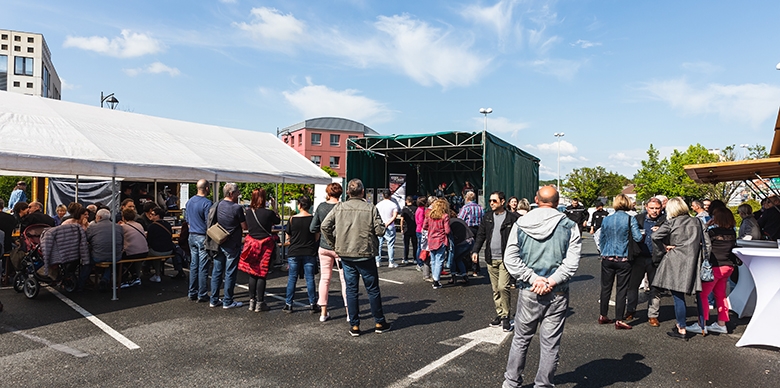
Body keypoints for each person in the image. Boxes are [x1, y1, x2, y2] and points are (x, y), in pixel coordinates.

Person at [502, 185, 581, 388]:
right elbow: (571, 263)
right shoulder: (569, 225)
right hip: (558, 291)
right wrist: (551, 280)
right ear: (557, 201)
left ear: (537, 199)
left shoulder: (521, 223)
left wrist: (532, 278)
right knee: (550, 344)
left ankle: (511, 383)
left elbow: (510, 258)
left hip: (529, 290)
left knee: (521, 339)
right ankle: (543, 385)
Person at [321, 178, 390, 337]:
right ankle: (379, 322)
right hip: (365, 253)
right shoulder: (370, 208)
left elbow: (324, 226)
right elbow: (380, 231)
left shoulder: (339, 208)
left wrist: (334, 244)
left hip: (345, 254)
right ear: (362, 192)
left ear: (348, 193)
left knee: (351, 290)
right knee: (372, 289)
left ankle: (355, 325)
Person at [652, 197, 710, 340]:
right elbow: (707, 244)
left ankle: (682, 328)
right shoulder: (697, 221)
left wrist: (664, 248)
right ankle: (702, 325)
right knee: (699, 295)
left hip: (675, 261)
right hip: (693, 262)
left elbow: (655, 236)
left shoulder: (671, 222)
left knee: (678, 297)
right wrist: (704, 259)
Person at [471, 191, 519, 332]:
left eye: (494, 201)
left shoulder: (512, 218)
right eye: (490, 201)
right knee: (495, 289)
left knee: (503, 287)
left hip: (505, 259)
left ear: (502, 202)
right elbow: (481, 235)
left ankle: (506, 317)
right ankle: (500, 314)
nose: (491, 203)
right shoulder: (487, 217)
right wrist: (475, 251)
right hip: (491, 258)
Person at [689, 207, 739, 335]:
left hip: (714, 267)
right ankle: (722, 323)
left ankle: (702, 324)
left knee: (703, 295)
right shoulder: (732, 233)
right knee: (721, 296)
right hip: (728, 267)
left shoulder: (713, 232)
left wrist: (706, 225)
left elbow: (701, 240)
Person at [597, 194, 642, 330]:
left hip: (607, 257)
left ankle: (603, 315)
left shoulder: (607, 219)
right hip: (623, 258)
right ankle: (619, 319)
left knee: (605, 288)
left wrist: (604, 252)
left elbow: (601, 239)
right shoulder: (630, 219)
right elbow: (638, 238)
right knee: (621, 289)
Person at [626, 197, 666, 326]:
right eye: (652, 208)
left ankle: (653, 315)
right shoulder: (638, 219)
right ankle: (630, 309)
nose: (654, 211)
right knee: (633, 286)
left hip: (656, 258)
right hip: (639, 257)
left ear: (661, 208)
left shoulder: (665, 221)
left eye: (657, 208)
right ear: (647, 208)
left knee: (655, 288)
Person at [207, 182, 246, 309]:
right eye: (237, 192)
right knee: (230, 273)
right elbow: (244, 226)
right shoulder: (237, 208)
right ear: (231, 193)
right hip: (232, 243)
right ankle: (228, 301)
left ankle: (214, 299)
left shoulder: (218, 205)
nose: (238, 194)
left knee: (217, 271)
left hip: (218, 241)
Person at [310, 183, 347, 322]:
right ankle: (350, 313)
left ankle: (323, 313)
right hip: (340, 248)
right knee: (345, 281)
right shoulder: (343, 207)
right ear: (340, 193)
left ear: (328, 192)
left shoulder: (321, 207)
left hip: (324, 247)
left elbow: (313, 228)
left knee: (324, 279)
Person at [240, 188, 280, 313]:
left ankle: (252, 301)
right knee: (262, 273)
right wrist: (274, 207)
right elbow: (277, 220)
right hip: (265, 245)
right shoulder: (268, 213)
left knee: (252, 273)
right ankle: (260, 302)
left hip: (252, 244)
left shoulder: (248, 212)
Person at [284, 196, 319, 313]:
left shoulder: (292, 219)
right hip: (309, 251)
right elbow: (316, 236)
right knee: (310, 279)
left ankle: (288, 304)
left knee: (292, 278)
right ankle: (313, 303)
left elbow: (288, 235)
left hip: (294, 251)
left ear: (299, 205)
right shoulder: (313, 219)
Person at [186, 179, 212, 303]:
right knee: (203, 266)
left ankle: (192, 291)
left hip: (192, 235)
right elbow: (209, 222)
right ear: (206, 188)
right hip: (202, 235)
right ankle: (202, 293)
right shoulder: (207, 203)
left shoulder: (190, 201)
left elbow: (187, 219)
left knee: (193, 265)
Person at [84, 208, 124, 290]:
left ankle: (81, 282)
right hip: (116, 256)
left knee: (88, 261)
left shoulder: (92, 227)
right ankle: (105, 279)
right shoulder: (118, 227)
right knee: (109, 259)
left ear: (98, 217)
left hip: (99, 256)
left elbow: (86, 240)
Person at [422, 199, 451, 289]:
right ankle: (436, 280)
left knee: (433, 260)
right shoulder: (445, 216)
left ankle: (435, 278)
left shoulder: (429, 215)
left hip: (431, 239)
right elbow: (447, 230)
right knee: (439, 260)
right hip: (441, 239)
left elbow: (424, 226)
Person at [146, 207, 176, 282]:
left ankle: (154, 273)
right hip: (169, 250)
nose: (150, 216)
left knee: (145, 253)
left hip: (156, 251)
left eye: (153, 214)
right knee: (157, 254)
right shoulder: (168, 224)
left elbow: (149, 240)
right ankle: (158, 273)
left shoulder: (152, 226)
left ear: (157, 216)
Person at [119, 208, 148, 287]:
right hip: (144, 251)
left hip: (132, 253)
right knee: (130, 259)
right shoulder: (139, 225)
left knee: (119, 259)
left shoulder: (122, 227)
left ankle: (123, 280)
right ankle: (135, 277)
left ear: (123, 217)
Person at [458, 191, 484, 276]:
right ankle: (475, 269)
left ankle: (465, 268)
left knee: (466, 249)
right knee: (475, 249)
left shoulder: (466, 207)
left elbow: (460, 219)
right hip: (478, 229)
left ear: (467, 198)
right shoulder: (480, 207)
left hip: (468, 229)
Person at [447, 210, 474, 284]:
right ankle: (464, 276)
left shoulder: (450, 222)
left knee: (452, 259)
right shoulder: (459, 220)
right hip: (471, 240)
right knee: (458, 259)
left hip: (463, 242)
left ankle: (453, 277)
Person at [375, 189, 399, 268]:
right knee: (390, 245)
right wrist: (388, 223)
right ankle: (391, 262)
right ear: (390, 195)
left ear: (382, 195)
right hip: (390, 226)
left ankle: (378, 261)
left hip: (380, 226)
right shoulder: (393, 205)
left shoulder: (378, 205)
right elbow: (394, 216)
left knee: (379, 245)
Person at [399, 196, 418, 265]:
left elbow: (402, 220)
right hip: (414, 228)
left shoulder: (404, 209)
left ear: (406, 201)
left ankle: (406, 258)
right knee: (415, 244)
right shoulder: (416, 209)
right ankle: (415, 258)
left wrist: (401, 228)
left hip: (406, 228)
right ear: (412, 201)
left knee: (406, 245)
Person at [414, 197, 428, 271]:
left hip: (418, 229)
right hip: (421, 230)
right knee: (421, 247)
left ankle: (419, 263)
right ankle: (419, 263)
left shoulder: (419, 209)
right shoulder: (421, 210)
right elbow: (421, 221)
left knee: (420, 247)